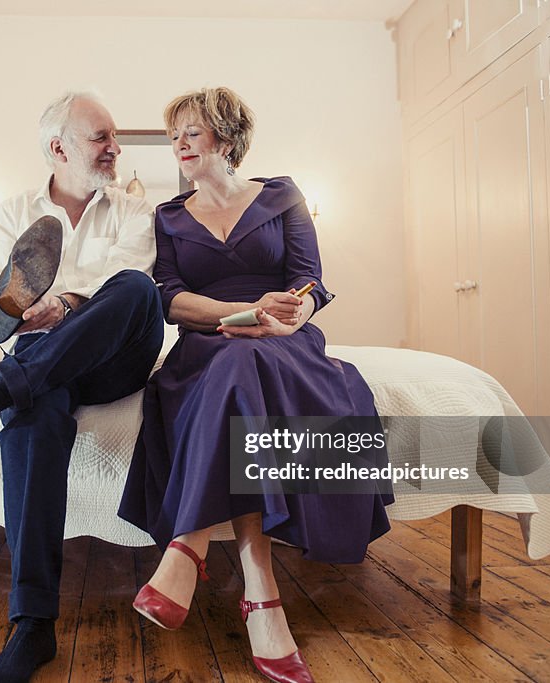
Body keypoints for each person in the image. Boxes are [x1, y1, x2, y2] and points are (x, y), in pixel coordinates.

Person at [118, 87, 393, 683]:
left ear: (225, 136)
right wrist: (236, 311)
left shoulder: (283, 196)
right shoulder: (167, 217)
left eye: (191, 133)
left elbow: (310, 281)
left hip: (282, 343)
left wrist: (289, 313)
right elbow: (168, 299)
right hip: (208, 342)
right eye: (174, 137)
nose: (180, 146)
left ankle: (188, 549)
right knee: (234, 366)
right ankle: (260, 593)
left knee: (249, 367)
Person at [0, 92, 164, 682]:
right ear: (59, 148)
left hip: (114, 354)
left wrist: (69, 302)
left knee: (134, 288)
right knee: (34, 411)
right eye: (101, 137)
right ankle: (32, 627)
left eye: (113, 138)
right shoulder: (11, 214)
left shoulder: (133, 209)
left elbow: (130, 277)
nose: (115, 148)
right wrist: (24, 313)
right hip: (39, 356)